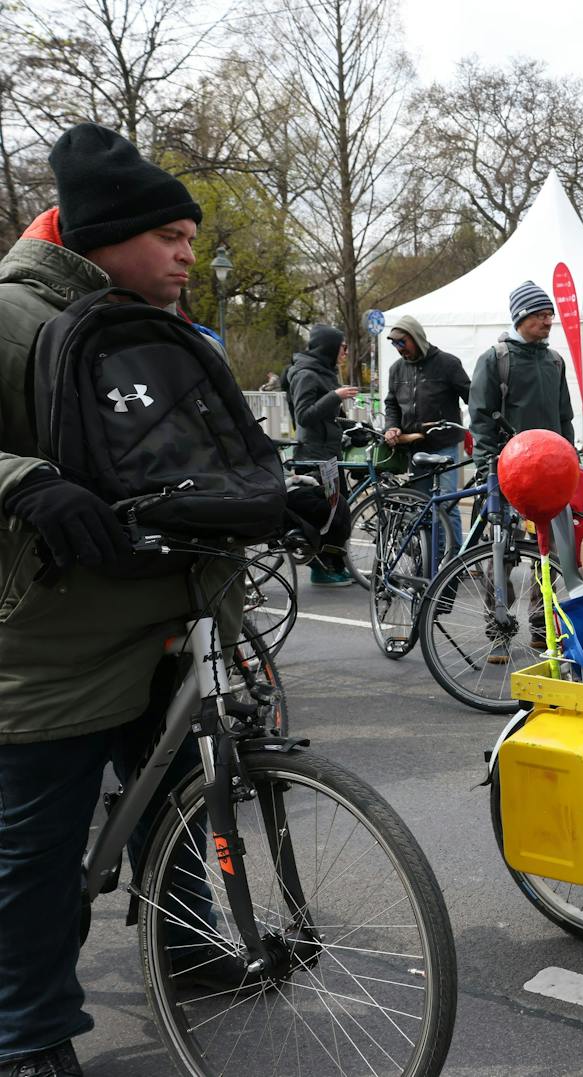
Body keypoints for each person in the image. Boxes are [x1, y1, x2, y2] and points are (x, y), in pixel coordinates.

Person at [0, 122, 260, 1077]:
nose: (189, 253)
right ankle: (26, 1033)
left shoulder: (152, 330)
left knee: (173, 805)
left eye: (192, 238)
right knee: (37, 848)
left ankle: (186, 939)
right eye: (171, 237)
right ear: (102, 233)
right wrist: (24, 478)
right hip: (51, 646)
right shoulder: (11, 318)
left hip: (161, 623)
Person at [469, 280, 574, 472]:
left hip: (553, 469)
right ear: (521, 318)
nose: (549, 322)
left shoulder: (555, 361)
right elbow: (481, 420)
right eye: (541, 315)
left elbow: (565, 417)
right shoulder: (495, 359)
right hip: (512, 470)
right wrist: (487, 472)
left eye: (550, 315)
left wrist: (571, 459)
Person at [384, 314, 471, 544]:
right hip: (414, 447)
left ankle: (453, 562)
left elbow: (473, 396)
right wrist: (391, 426)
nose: (399, 348)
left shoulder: (448, 363)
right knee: (421, 504)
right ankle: (430, 559)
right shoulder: (396, 369)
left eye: (402, 342)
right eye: (395, 344)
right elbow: (391, 403)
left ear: (416, 337)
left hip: (444, 446)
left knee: (446, 502)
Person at [286, 324, 356, 585]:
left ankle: (335, 564)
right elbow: (304, 416)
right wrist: (335, 396)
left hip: (329, 452)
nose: (345, 352)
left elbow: (328, 416)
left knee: (338, 512)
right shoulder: (305, 374)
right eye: (343, 347)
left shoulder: (325, 372)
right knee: (325, 515)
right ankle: (322, 568)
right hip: (314, 456)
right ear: (329, 347)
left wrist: (353, 427)